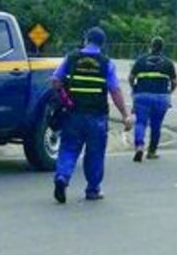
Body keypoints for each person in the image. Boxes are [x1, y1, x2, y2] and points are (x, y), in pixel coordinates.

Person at [51, 27, 133, 203]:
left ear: (86, 40)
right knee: (95, 153)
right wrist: (125, 114)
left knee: (68, 148)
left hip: (73, 113)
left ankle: (62, 177)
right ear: (102, 44)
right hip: (97, 116)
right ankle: (93, 189)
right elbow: (115, 90)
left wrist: (64, 95)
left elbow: (55, 80)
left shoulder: (71, 58)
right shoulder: (106, 63)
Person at [128, 37, 177, 161]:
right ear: (162, 48)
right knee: (156, 125)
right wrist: (169, 93)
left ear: (150, 46)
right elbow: (175, 82)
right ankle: (151, 151)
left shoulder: (140, 60)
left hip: (142, 95)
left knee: (141, 122)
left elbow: (131, 77)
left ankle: (139, 146)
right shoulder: (168, 63)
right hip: (161, 97)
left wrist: (134, 88)